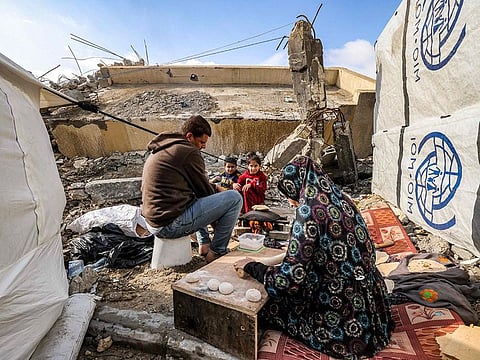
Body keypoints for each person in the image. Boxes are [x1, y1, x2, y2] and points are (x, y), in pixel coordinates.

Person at [233, 155, 394, 358]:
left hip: (343, 309)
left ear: (296, 185)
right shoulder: (342, 199)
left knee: (270, 308)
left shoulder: (309, 210)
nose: (291, 201)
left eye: (290, 194)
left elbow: (288, 281)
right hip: (372, 303)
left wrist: (253, 267)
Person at [141, 115, 243, 263]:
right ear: (189, 136)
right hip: (169, 225)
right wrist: (219, 224)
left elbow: (197, 186)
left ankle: (204, 244)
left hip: (153, 221)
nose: (204, 146)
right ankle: (216, 252)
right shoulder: (188, 152)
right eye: (201, 142)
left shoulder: (167, 146)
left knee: (193, 197)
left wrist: (216, 188)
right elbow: (204, 192)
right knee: (234, 198)